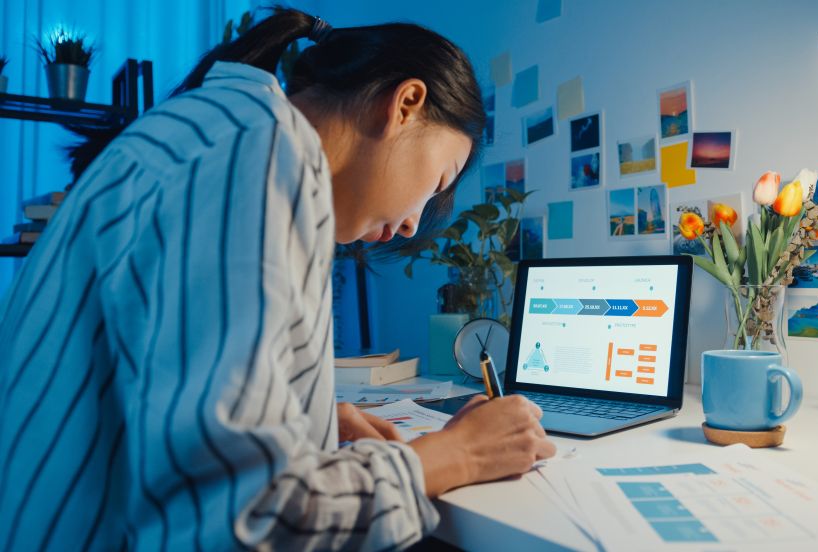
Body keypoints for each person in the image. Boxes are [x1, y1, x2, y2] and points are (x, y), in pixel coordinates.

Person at [0, 9, 555, 551]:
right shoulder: (261, 150)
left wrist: (303, 421)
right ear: (406, 104)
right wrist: (453, 455)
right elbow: (243, 519)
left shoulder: (227, 132)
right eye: (438, 182)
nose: (413, 220)